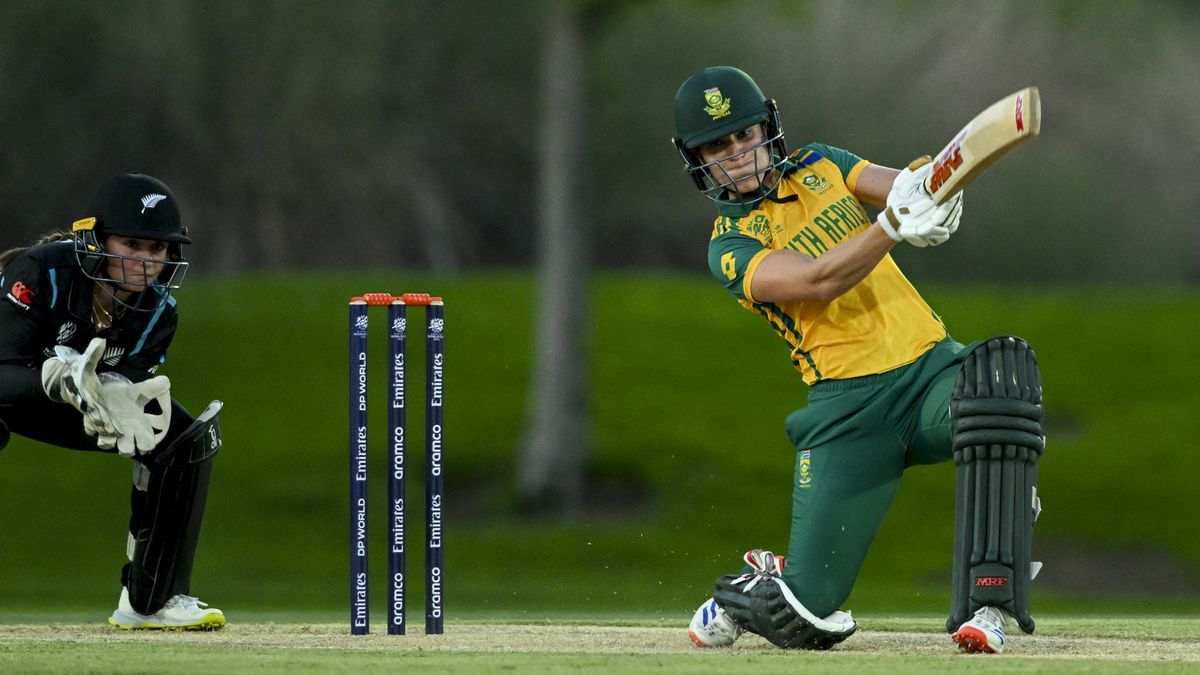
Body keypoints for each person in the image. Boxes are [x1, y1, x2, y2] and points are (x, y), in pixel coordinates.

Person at [673, 67, 1046, 654]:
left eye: (745, 135)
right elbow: (818, 281)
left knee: (1000, 395)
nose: (739, 154)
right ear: (698, 159)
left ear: (767, 128)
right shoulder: (729, 246)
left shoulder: (822, 163)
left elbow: (908, 186)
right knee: (803, 618)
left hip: (929, 372)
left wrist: (937, 193)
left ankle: (988, 603)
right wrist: (894, 225)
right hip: (848, 412)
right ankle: (756, 589)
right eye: (719, 146)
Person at [0, 173, 226, 630]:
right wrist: (56, 378)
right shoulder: (41, 272)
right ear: (95, 240)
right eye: (131, 244)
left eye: (157, 249)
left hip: (74, 400)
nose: (145, 261)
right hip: (12, 384)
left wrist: (120, 392)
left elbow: (124, 385)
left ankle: (150, 601)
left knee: (181, 440)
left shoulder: (159, 313)